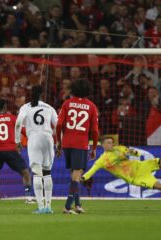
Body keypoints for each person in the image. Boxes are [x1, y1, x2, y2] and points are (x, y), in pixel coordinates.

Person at [56, 80, 99, 214]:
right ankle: (67, 207)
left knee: (74, 174)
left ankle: (78, 205)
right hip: (80, 143)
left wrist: (58, 142)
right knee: (77, 174)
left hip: (67, 142)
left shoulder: (67, 103)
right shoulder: (91, 106)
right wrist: (94, 148)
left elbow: (58, 125)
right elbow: (95, 131)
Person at [15, 86, 58, 214]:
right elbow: (58, 125)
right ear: (42, 95)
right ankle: (49, 206)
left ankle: (40, 207)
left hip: (34, 139)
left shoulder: (25, 107)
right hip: (48, 139)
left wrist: (17, 141)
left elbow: (18, 123)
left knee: (37, 173)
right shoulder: (49, 107)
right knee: (47, 173)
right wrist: (59, 142)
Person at [82, 136, 161, 194]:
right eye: (108, 143)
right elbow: (92, 170)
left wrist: (130, 152)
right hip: (136, 177)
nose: (111, 144)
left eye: (112, 142)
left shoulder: (119, 149)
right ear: (103, 145)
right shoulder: (101, 161)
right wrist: (83, 178)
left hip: (141, 166)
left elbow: (136, 154)